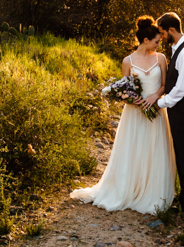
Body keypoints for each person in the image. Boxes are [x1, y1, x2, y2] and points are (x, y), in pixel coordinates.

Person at [70, 16, 176, 215]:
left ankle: (152, 192)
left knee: (155, 150)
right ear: (146, 40)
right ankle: (129, 188)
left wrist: (154, 97)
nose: (159, 44)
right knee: (133, 150)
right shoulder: (127, 61)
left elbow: (164, 85)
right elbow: (126, 89)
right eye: (156, 41)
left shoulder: (160, 58)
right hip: (135, 114)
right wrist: (133, 99)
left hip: (156, 110)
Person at [155, 12, 184, 212]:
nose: (162, 37)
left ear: (171, 30)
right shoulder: (178, 48)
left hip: (182, 106)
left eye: (163, 33)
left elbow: (182, 87)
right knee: (180, 150)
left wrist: (161, 102)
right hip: (177, 107)